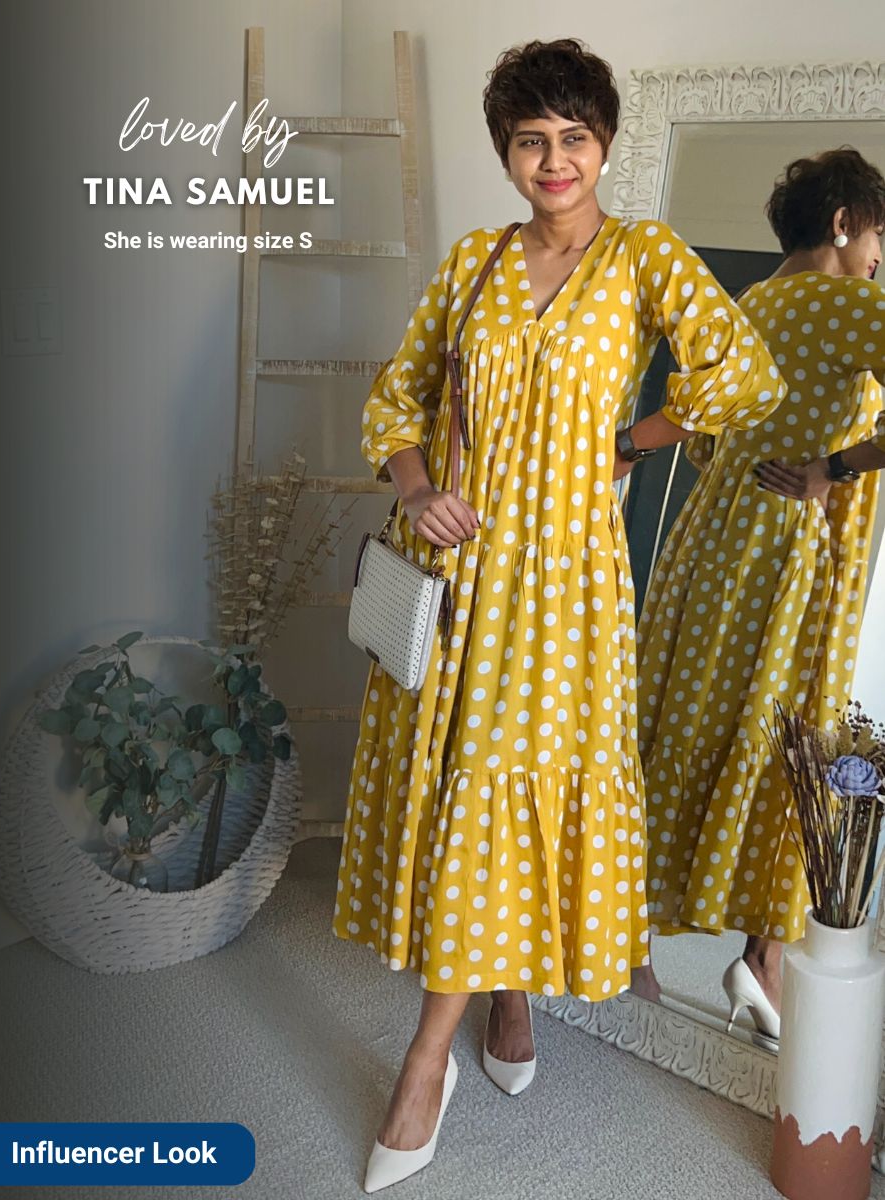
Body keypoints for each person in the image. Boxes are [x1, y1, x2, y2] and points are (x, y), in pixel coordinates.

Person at [332, 38, 785, 1192]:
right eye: (531, 139)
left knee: (513, 781)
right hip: (460, 572)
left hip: (566, 590)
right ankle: (500, 999)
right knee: (467, 789)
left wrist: (631, 439)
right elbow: (396, 393)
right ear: (506, 149)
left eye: (574, 137)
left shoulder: (642, 257)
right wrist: (416, 489)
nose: (554, 160)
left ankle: (424, 1062)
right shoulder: (475, 261)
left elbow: (742, 374)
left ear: (605, 143)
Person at [633, 148, 885, 1036]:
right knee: (787, 732)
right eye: (880, 237)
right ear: (845, 223)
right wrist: (835, 467)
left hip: (708, 538)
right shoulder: (850, 305)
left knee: (681, 713)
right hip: (781, 551)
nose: (879, 258)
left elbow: (705, 438)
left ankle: (632, 945)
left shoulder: (744, 306)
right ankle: (762, 959)